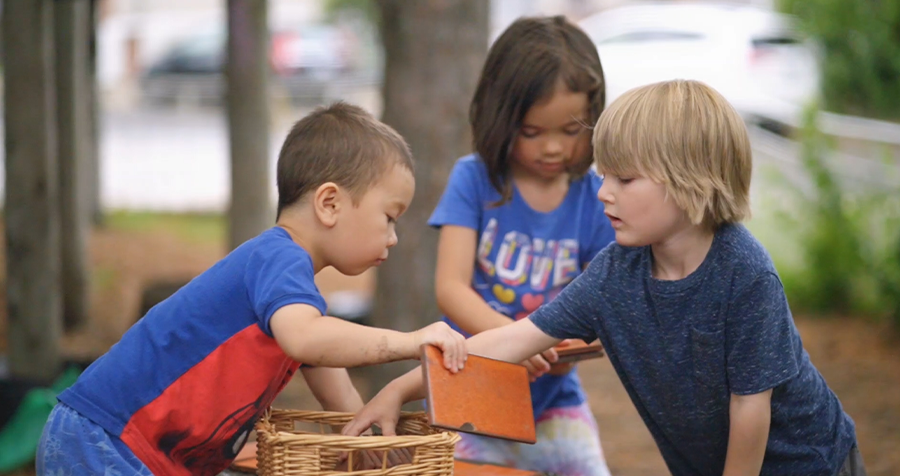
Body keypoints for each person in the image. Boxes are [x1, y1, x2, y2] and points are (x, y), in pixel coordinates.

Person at [344, 80, 866, 476]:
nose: (602, 194)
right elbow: (509, 340)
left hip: (812, 461)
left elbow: (750, 408)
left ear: (691, 182)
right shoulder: (617, 272)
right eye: (602, 176)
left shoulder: (744, 274)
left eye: (624, 178)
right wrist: (403, 387)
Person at [36, 102, 468, 476]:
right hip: (107, 439)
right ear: (330, 204)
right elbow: (309, 339)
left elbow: (342, 403)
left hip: (135, 449)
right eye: (389, 217)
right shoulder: (277, 260)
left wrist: (371, 449)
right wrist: (411, 342)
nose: (393, 237)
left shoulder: (295, 299)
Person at [427, 15, 615, 476]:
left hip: (556, 406)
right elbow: (450, 288)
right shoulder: (473, 179)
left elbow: (606, 304)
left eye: (571, 131)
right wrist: (515, 345)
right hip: (472, 404)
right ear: (500, 115)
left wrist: (565, 349)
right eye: (532, 132)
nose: (553, 148)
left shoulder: (597, 199)